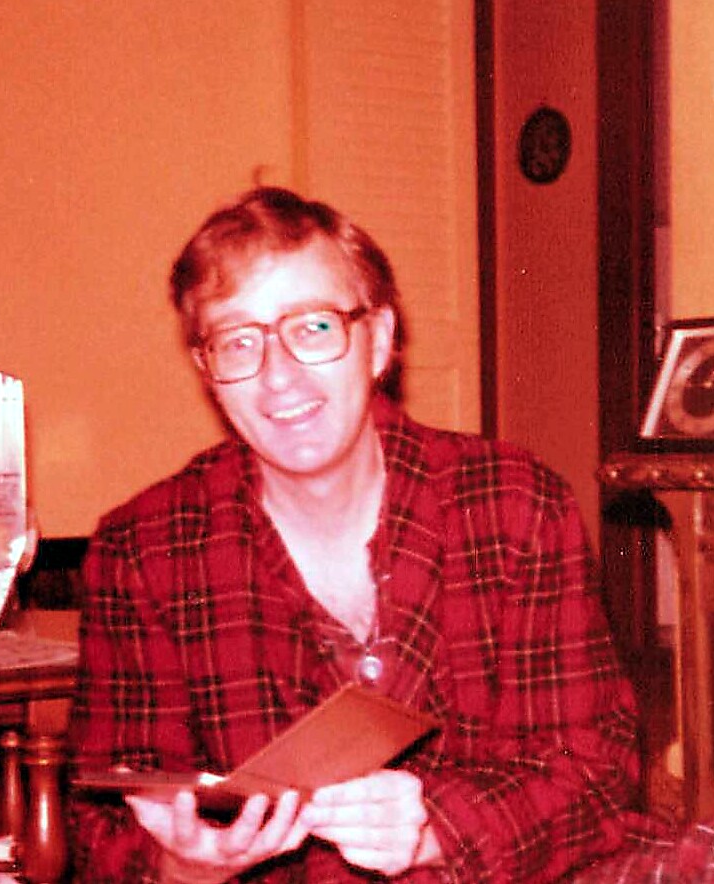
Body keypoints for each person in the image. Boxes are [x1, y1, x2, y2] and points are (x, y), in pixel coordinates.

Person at [68, 186, 660, 882]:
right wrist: (181, 865)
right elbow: (100, 821)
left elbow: (595, 771)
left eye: (314, 327)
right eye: (238, 341)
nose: (279, 377)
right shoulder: (142, 551)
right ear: (209, 372)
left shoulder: (517, 505)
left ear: (377, 341)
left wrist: (436, 826)